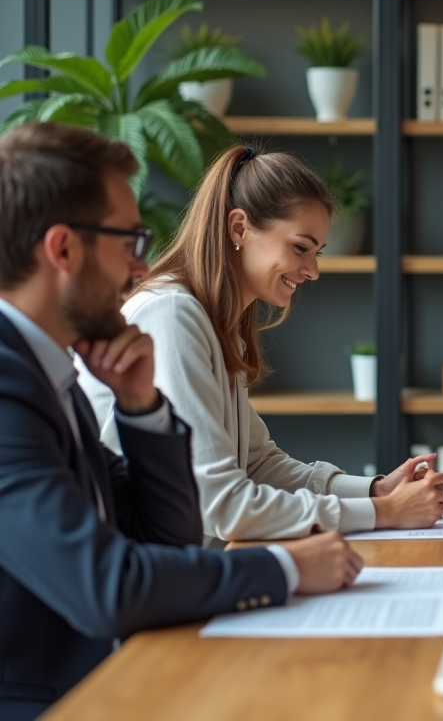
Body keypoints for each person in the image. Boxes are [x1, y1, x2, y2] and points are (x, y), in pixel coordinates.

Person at [0, 122, 362, 721]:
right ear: (63, 249)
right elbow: (106, 587)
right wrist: (284, 565)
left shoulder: (46, 373)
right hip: (55, 697)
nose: (139, 271)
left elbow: (165, 534)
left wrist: (143, 409)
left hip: (112, 668)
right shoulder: (10, 386)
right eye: (127, 243)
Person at [82, 144, 443, 542]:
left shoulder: (215, 322)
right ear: (239, 228)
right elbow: (221, 505)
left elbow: (258, 464)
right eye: (300, 247)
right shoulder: (172, 316)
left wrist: (372, 491)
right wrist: (382, 513)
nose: (313, 270)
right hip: (143, 578)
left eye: (317, 253)